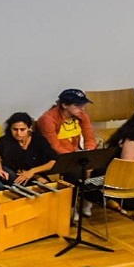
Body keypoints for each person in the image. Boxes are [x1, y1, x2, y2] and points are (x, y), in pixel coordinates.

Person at [36, 89, 97, 218]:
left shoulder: (82, 115)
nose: (82, 108)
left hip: (78, 153)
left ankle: (88, 200)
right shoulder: (48, 119)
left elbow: (90, 138)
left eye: (83, 105)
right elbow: (54, 147)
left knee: (100, 166)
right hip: (58, 157)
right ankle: (72, 206)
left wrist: (89, 153)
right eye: (78, 105)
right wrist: (77, 157)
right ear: (64, 105)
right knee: (75, 172)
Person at [0, 112, 57, 185]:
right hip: (15, 176)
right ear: (10, 128)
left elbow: (53, 161)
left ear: (29, 128)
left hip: (37, 173)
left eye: (22, 129)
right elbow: (12, 166)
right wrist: (35, 176)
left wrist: (33, 172)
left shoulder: (39, 140)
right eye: (15, 129)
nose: (18, 133)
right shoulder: (4, 141)